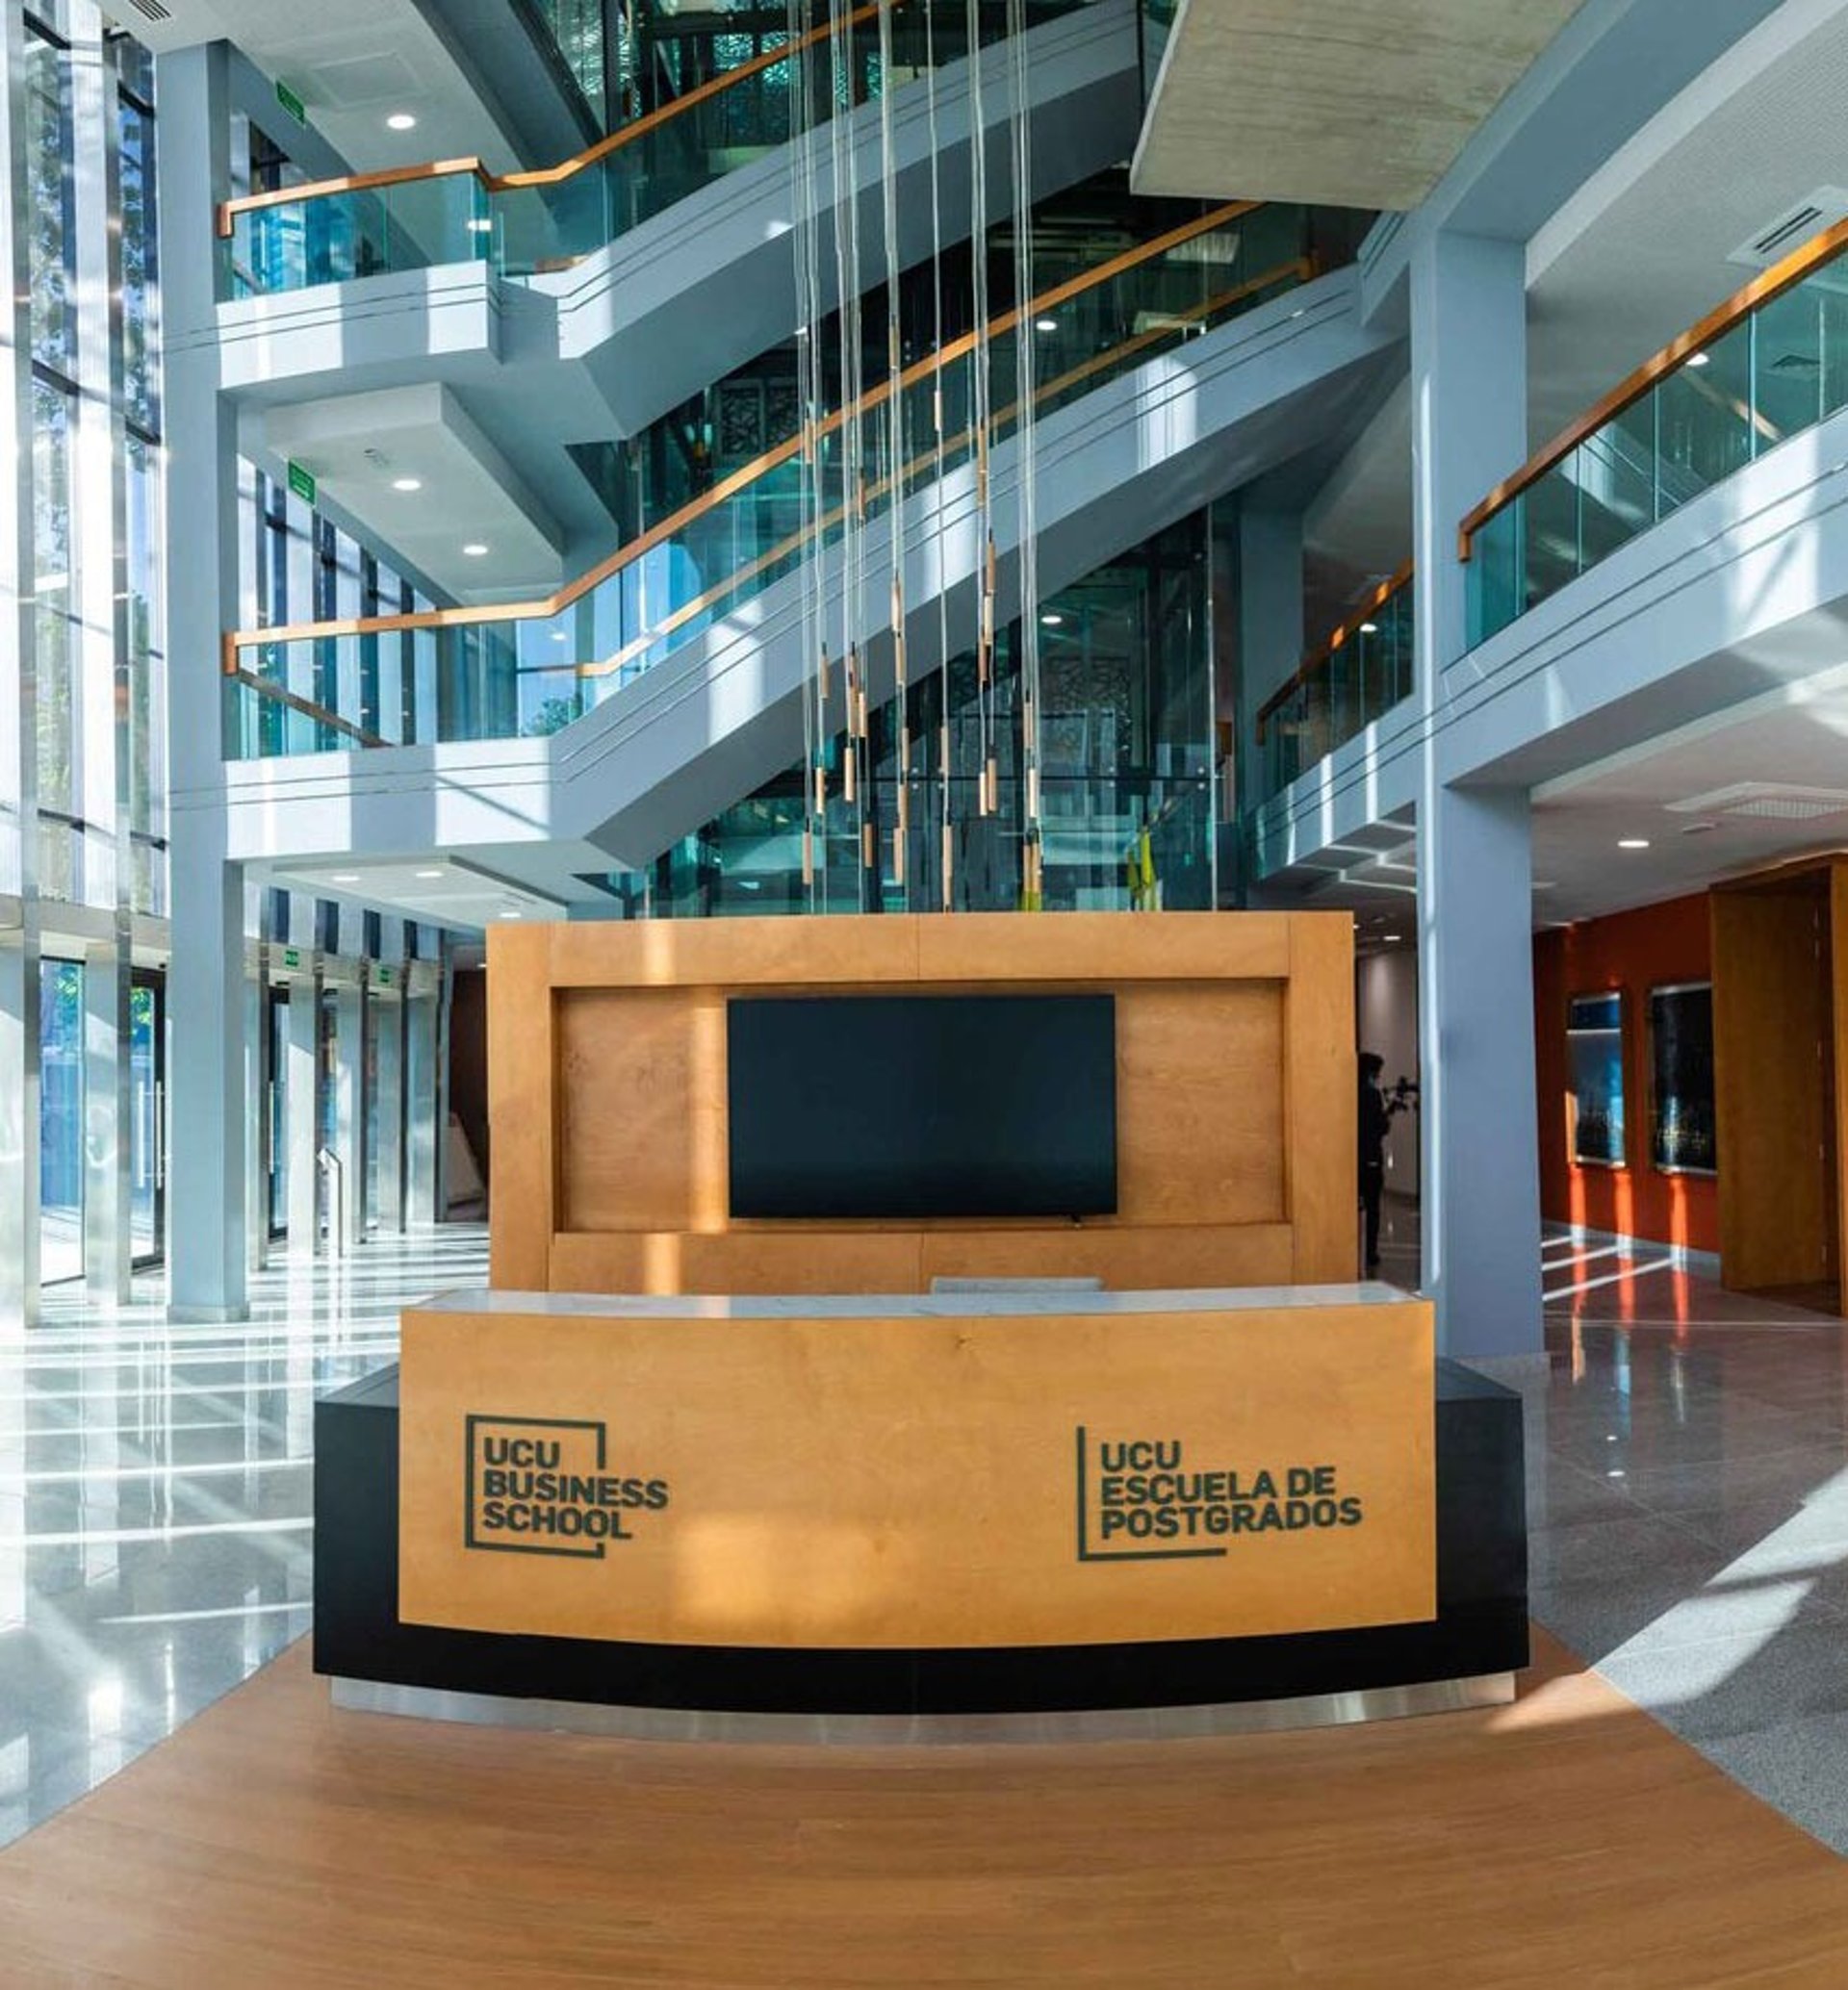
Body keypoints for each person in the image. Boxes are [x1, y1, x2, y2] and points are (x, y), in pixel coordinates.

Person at [1358, 1052, 1392, 1277]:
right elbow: (1380, 1127)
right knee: (1372, 1209)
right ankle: (1370, 1251)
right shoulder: (1371, 1094)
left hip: (1353, 1158)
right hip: (1370, 1159)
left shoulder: (1349, 1092)